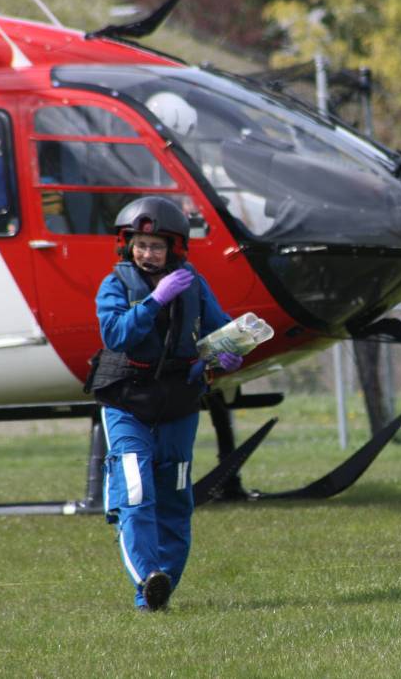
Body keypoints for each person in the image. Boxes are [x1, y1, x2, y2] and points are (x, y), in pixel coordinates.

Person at [86, 196, 243, 611]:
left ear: (174, 249)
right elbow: (117, 335)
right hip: (127, 400)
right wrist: (155, 300)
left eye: (156, 247)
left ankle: (163, 585)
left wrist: (229, 348)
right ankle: (146, 581)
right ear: (127, 246)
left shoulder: (192, 282)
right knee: (136, 492)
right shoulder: (114, 285)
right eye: (140, 245)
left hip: (178, 402)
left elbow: (217, 325)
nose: (148, 254)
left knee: (175, 498)